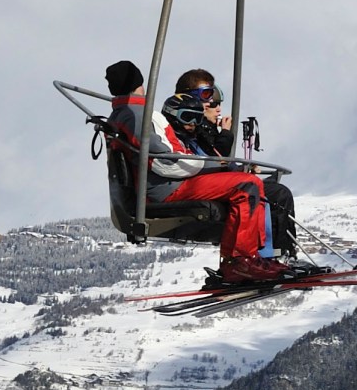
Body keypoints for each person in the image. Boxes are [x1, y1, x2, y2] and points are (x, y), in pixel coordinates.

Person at [105, 60, 299, 285]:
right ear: (139, 84)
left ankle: (245, 262)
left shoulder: (126, 114)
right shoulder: (138, 115)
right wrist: (210, 165)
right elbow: (164, 161)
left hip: (168, 183)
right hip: (166, 188)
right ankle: (240, 262)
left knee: (252, 184)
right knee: (247, 185)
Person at [162, 68, 297, 255]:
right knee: (261, 191)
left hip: (211, 180)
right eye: (208, 97)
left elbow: (216, 159)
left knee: (278, 193)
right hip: (196, 184)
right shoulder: (181, 126)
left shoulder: (198, 130)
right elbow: (210, 160)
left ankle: (281, 253)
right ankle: (252, 256)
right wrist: (225, 135)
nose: (215, 106)